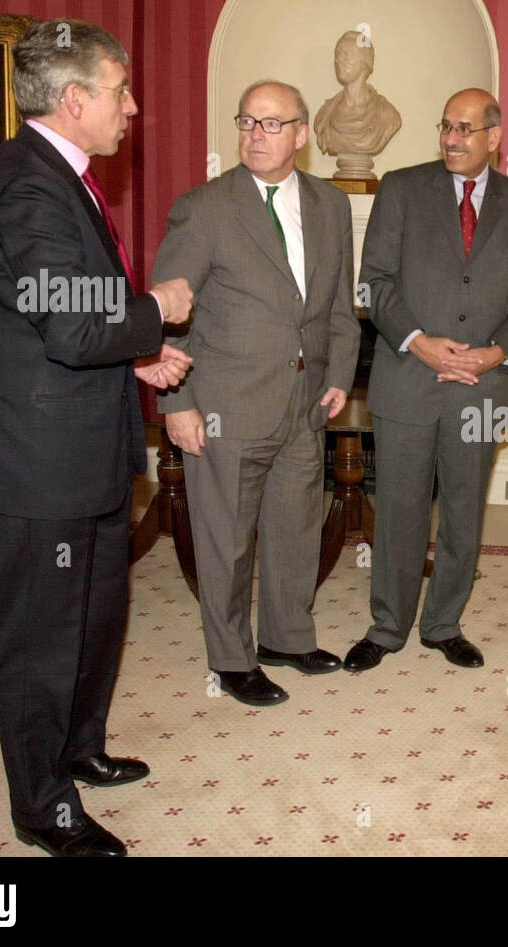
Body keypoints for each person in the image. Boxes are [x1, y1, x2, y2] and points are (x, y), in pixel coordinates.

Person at [0, 18, 194, 857]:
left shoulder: (62, 176)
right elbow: (71, 325)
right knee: (39, 639)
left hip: (77, 444)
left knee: (94, 614)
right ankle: (40, 804)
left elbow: (49, 323)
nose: (133, 106)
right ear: (76, 97)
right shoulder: (29, 184)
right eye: (121, 90)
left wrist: (137, 360)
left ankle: (78, 745)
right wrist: (157, 310)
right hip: (35, 462)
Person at [154, 80, 360, 707]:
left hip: (305, 402)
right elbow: (168, 313)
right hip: (224, 404)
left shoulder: (330, 204)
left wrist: (339, 375)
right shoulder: (205, 207)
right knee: (226, 538)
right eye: (247, 122)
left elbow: (338, 307)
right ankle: (231, 658)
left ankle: (287, 638)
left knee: (295, 528)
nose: (255, 135)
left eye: (272, 124)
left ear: (302, 134)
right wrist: (176, 403)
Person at [343, 88, 508, 673]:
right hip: (409, 377)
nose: (452, 138)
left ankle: (443, 623)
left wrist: (493, 355)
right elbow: (373, 282)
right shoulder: (402, 189)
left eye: (465, 128)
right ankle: (387, 627)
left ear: (493, 136)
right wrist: (420, 342)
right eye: (445, 126)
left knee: (463, 511)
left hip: (482, 386)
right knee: (401, 512)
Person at [311, 30, 401, 177]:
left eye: (346, 55)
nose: (338, 60)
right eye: (337, 54)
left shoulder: (386, 115)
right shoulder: (324, 116)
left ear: (365, 62)